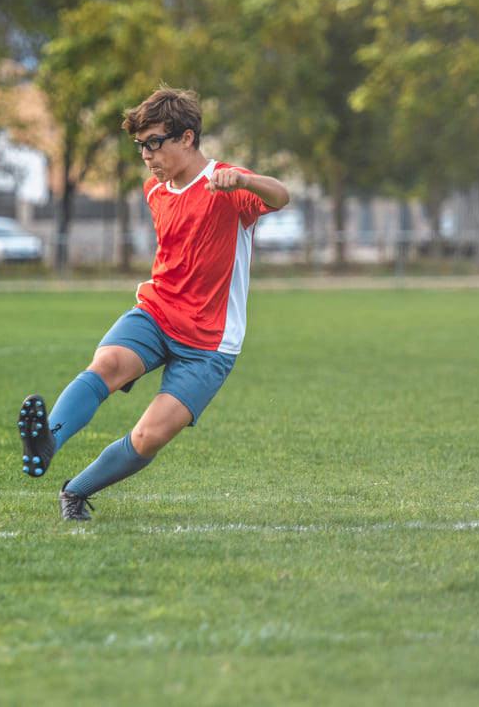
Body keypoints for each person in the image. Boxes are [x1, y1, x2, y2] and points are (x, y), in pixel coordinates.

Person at [17, 86, 290, 521]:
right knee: (105, 364)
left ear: (186, 138)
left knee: (149, 437)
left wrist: (245, 180)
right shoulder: (155, 191)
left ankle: (76, 491)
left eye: (154, 143)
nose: (146, 154)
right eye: (140, 145)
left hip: (210, 340)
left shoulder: (226, 183)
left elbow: (280, 195)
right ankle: (46, 439)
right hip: (157, 311)